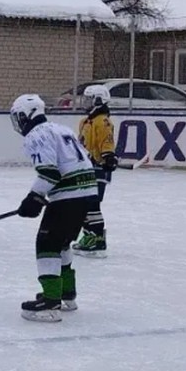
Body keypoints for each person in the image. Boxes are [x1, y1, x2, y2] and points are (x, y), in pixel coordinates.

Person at [10, 94, 99, 323]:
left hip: (68, 195)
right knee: (62, 243)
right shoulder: (61, 129)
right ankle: (67, 294)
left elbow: (49, 172)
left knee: (47, 244)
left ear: (26, 115)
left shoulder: (36, 134)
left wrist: (33, 197)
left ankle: (51, 301)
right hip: (87, 192)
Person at [72, 85, 117, 257]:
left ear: (99, 100)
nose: (85, 103)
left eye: (89, 99)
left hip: (98, 168)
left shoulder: (103, 121)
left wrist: (108, 156)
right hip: (86, 168)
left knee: (92, 202)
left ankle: (97, 238)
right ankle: (89, 235)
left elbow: (107, 141)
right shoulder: (85, 122)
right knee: (83, 202)